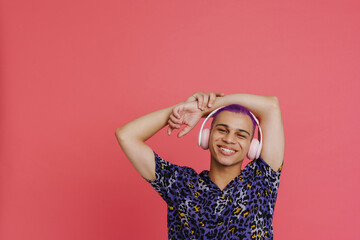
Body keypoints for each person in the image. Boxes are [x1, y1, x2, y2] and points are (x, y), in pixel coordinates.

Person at [115, 92, 284, 239]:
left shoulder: (261, 181)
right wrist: (184, 109)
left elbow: (271, 106)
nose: (229, 139)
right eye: (222, 130)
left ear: (251, 146)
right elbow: (126, 136)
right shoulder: (180, 184)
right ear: (207, 136)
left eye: (240, 135)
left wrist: (203, 108)